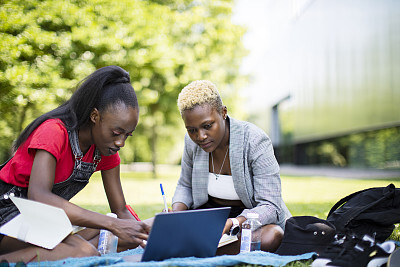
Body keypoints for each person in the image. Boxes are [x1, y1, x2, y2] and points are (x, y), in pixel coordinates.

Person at [0, 66, 150, 263]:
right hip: (9, 216)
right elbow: (39, 196)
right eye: (116, 133)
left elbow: (120, 210)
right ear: (95, 116)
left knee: (120, 233)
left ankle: (65, 251)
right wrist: (112, 225)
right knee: (85, 252)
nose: (121, 142)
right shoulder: (54, 131)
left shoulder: (105, 149)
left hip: (43, 220)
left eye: (127, 135)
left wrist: (145, 235)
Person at [171, 80, 292, 253]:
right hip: (209, 217)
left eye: (207, 126)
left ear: (223, 112)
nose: (201, 136)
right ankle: (206, 248)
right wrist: (176, 214)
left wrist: (234, 222)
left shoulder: (255, 141)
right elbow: (185, 185)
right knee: (155, 223)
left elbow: (270, 205)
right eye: (192, 130)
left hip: (248, 220)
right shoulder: (191, 143)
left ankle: (196, 248)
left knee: (272, 235)